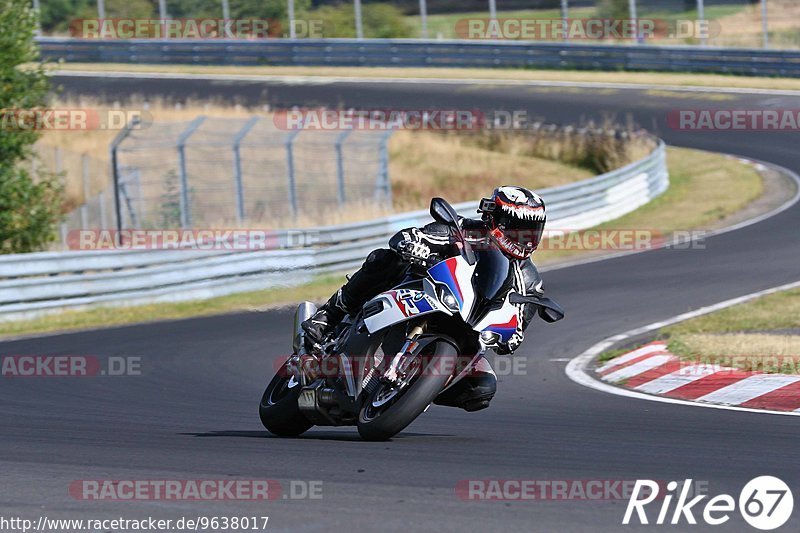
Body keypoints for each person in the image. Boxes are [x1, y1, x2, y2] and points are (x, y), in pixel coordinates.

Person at [302, 186, 547, 412]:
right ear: (496, 218)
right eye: (516, 226)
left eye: (531, 230)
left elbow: (520, 318)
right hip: (424, 293)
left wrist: (513, 335)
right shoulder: (464, 231)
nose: (524, 236)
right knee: (385, 260)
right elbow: (415, 236)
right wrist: (415, 243)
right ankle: (329, 315)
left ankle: (416, 391)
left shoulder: (529, 279)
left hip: (469, 325)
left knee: (482, 387)